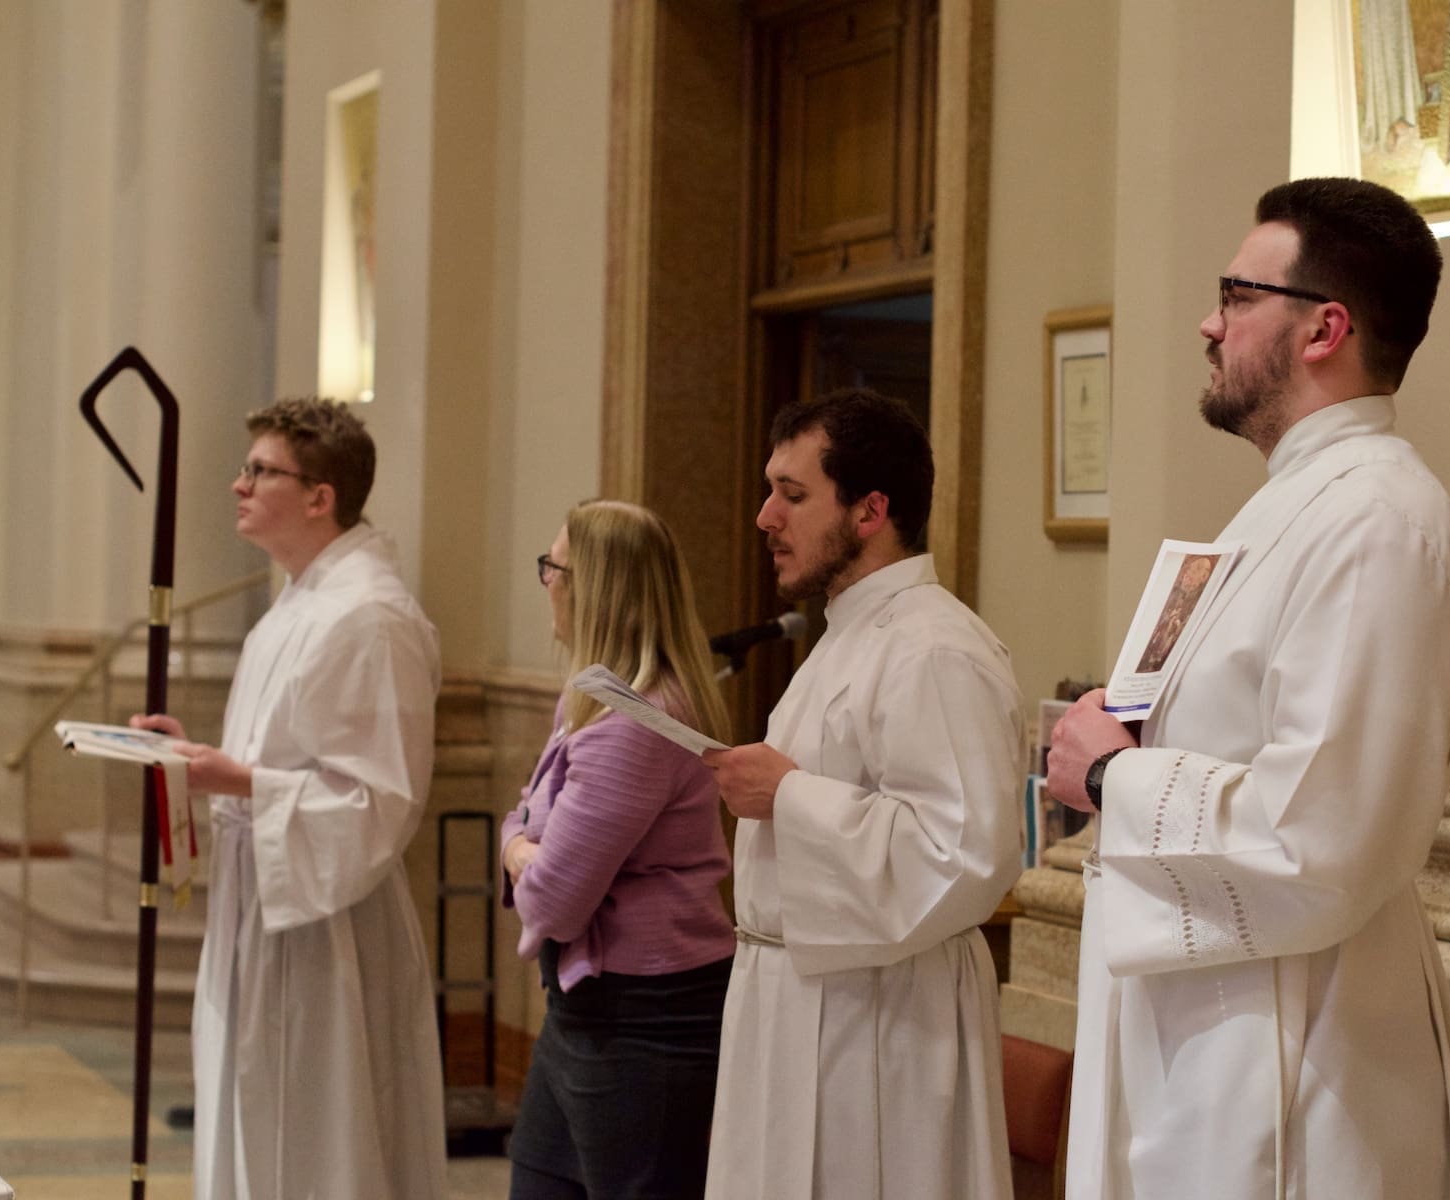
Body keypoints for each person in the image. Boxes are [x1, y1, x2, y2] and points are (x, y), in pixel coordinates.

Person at [1048, 178, 1450, 1199]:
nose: (1210, 324)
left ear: (1325, 328)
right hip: (1214, 1030)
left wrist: (1112, 780)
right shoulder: (1291, 509)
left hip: (1292, 1059)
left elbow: (1323, 835)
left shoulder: (1378, 523)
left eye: (1237, 298)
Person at [702, 388, 1024, 1200]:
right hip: (794, 999)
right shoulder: (847, 636)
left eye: (793, 494)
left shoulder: (934, 648)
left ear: (871, 510)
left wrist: (789, 797)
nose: (766, 517)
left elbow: (965, 854)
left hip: (878, 1025)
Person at [131, 397, 445, 1199]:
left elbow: (381, 801)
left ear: (319, 497)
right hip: (265, 902)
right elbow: (292, 751)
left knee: (316, 1133)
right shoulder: (301, 600)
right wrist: (199, 757)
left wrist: (237, 780)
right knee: (254, 1112)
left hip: (323, 926)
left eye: (260, 471)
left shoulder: (371, 616)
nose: (238, 485)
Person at [500, 500, 737, 1200]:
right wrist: (524, 843)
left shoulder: (635, 724)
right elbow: (526, 812)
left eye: (553, 568)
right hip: (585, 1008)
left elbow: (554, 901)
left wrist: (517, 851)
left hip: (646, 1020)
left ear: (594, 587)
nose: (546, 582)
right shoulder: (595, 700)